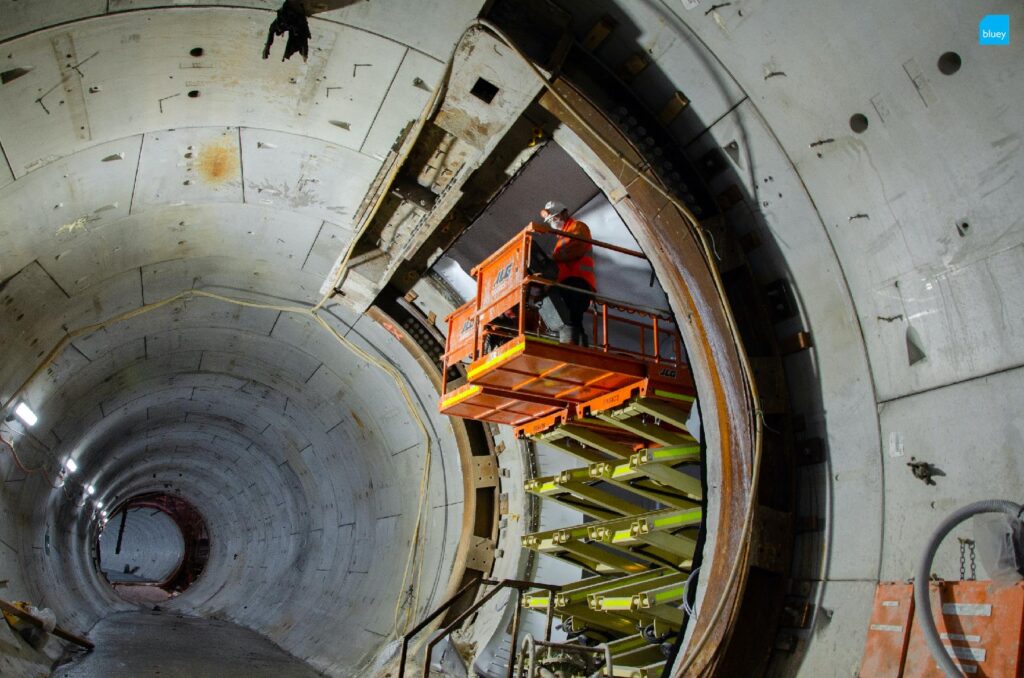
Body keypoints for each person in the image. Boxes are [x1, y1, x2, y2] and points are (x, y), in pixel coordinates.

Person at [529, 200, 596, 345]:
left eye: (554, 217)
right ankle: (575, 347)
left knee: (572, 318)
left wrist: (553, 257)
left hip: (578, 282)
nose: (552, 221)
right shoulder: (561, 239)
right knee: (569, 319)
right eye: (550, 220)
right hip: (567, 283)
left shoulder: (578, 227)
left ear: (564, 213)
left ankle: (573, 347)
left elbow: (577, 248)